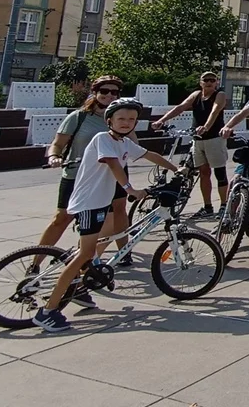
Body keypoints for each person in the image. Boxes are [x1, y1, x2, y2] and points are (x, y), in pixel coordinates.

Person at [33, 98, 180, 332]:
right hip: (89, 203)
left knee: (96, 248)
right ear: (109, 120)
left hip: (100, 202)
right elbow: (113, 165)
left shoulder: (122, 142)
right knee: (85, 254)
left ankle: (80, 290)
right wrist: (130, 189)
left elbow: (148, 154)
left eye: (131, 119)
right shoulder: (103, 139)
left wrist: (178, 169)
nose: (126, 123)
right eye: (121, 118)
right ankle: (48, 311)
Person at [36, 75, 133, 300]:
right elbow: (58, 144)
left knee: (109, 220)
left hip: (109, 178)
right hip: (76, 175)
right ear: (95, 92)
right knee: (61, 218)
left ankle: (87, 270)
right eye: (105, 91)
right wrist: (54, 157)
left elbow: (132, 146)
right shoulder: (78, 117)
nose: (109, 96)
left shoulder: (120, 118)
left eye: (114, 92)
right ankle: (35, 263)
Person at [151, 71, 229, 219]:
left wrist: (205, 127)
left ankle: (224, 206)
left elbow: (215, 110)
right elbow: (181, 107)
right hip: (198, 139)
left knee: (220, 173)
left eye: (212, 80)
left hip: (214, 138)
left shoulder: (220, 95)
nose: (209, 82)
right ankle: (208, 207)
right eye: (206, 80)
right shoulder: (196, 95)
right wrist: (162, 120)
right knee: (204, 173)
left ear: (217, 82)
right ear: (201, 82)